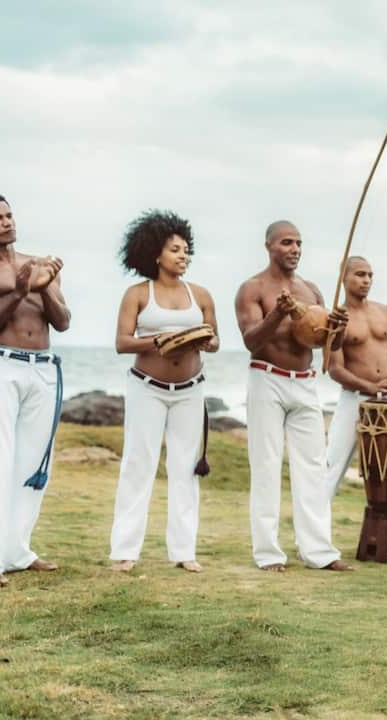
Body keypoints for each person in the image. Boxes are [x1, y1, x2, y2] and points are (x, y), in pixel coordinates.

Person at [0, 191, 72, 589]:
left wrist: (45, 287)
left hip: (44, 370)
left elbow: (63, 322)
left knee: (33, 465)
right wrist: (19, 292)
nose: (6, 222)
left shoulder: (38, 264)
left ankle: (16, 551)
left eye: (8, 215)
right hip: (2, 366)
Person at [234, 220, 350, 572]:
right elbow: (251, 340)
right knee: (266, 465)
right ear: (269, 245)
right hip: (266, 379)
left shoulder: (311, 290)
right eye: (287, 242)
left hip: (305, 381)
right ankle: (268, 553)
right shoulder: (251, 289)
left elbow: (328, 347)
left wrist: (339, 329)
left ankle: (319, 552)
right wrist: (278, 314)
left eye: (299, 243)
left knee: (314, 467)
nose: (295, 249)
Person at [109, 210, 220, 573]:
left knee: (185, 466)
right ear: (156, 254)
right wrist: (161, 342)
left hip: (190, 389)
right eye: (175, 250)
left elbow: (215, 341)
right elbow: (122, 343)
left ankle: (184, 551)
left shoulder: (201, 294)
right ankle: (125, 550)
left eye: (186, 250)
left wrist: (200, 340)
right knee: (139, 463)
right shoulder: (138, 294)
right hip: (147, 388)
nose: (183, 256)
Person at [325, 256, 387, 496]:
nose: (367, 280)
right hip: (355, 400)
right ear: (343, 277)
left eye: (370, 275)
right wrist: (370, 388)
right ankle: (313, 532)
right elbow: (335, 370)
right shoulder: (336, 318)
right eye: (360, 274)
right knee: (331, 467)